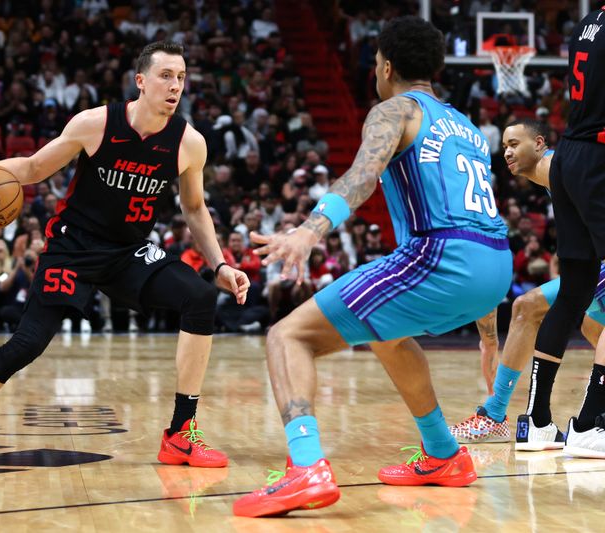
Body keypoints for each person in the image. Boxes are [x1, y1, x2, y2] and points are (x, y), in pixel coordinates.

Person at [0, 41, 249, 471]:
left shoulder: (189, 144)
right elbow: (35, 168)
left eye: (182, 77)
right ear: (141, 81)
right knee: (27, 344)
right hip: (72, 249)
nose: (175, 85)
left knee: (200, 297)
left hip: (128, 252)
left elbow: (193, 208)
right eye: (166, 75)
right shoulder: (95, 124)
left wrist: (221, 264)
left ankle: (180, 435)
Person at [233, 17, 511, 517]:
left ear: (384, 66)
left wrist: (309, 230)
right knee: (387, 334)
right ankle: (445, 454)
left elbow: (363, 174)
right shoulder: (466, 126)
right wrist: (488, 328)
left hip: (440, 257)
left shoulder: (396, 109)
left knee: (287, 337)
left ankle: (306, 468)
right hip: (495, 264)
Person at [450, 119, 605, 452]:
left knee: (592, 327)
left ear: (539, 144)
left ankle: (569, 419)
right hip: (591, 269)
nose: (506, 152)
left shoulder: (556, 166)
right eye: (504, 145)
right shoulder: (553, 176)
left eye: (514, 144)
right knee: (527, 306)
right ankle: (499, 413)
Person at [526, 7, 605, 458]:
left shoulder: (585, 23)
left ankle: (537, 423)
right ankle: (592, 423)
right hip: (596, 157)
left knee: (574, 292)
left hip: (568, 155)